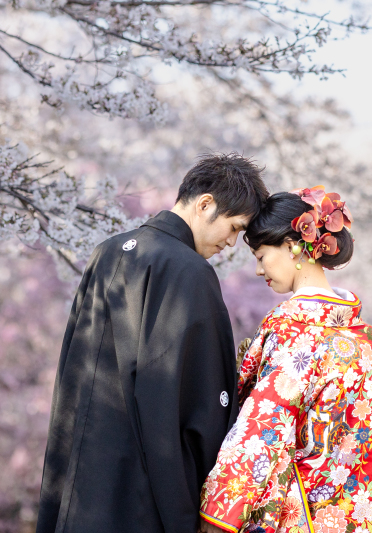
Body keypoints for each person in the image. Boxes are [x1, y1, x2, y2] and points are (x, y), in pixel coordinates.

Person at [37, 153, 269, 533]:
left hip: (79, 487)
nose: (231, 242)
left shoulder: (107, 251)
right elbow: (202, 403)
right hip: (139, 500)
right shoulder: (190, 272)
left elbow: (73, 372)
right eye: (233, 227)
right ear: (205, 203)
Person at [197, 187, 372, 533]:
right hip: (355, 517)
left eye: (261, 257)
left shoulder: (293, 331)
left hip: (299, 516)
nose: (260, 271)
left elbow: (262, 431)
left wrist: (217, 515)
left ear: (292, 247)